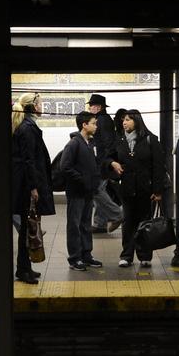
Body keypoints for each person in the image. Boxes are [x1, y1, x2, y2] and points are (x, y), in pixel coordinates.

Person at [106, 109, 165, 268]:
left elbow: (159, 167)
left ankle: (145, 256)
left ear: (137, 121)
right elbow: (107, 157)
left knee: (145, 224)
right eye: (123, 120)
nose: (124, 122)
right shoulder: (119, 140)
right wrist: (113, 163)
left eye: (128, 120)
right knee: (128, 223)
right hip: (127, 189)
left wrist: (158, 191)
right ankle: (126, 256)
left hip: (146, 190)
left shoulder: (150, 140)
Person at [11, 93, 55, 284]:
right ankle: (23, 269)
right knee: (27, 229)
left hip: (24, 183)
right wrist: (33, 187)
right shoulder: (28, 128)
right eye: (41, 103)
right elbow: (29, 160)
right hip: (26, 185)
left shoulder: (25, 125)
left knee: (26, 228)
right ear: (33, 106)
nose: (43, 105)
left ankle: (25, 267)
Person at [61, 111, 103, 271]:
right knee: (74, 225)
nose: (96, 126)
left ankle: (86, 255)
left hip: (88, 192)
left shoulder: (90, 143)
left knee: (85, 225)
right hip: (76, 192)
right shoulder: (74, 144)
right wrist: (82, 179)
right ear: (84, 125)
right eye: (93, 123)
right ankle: (75, 258)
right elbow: (65, 167)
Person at [87, 93, 123, 233]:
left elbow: (108, 144)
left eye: (92, 105)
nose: (90, 108)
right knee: (100, 191)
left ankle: (117, 215)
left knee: (97, 190)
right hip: (103, 161)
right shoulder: (102, 119)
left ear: (99, 107)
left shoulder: (102, 120)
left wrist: (104, 163)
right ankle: (100, 223)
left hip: (102, 163)